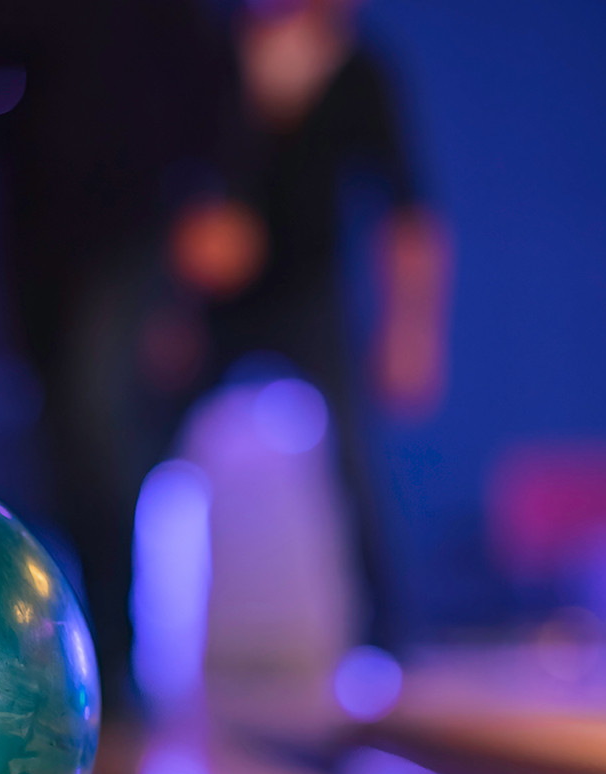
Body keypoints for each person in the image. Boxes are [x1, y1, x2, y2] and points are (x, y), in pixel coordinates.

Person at [0, 0, 239, 716]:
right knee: (55, 440)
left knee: (94, 418)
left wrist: (215, 195)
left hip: (133, 224)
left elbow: (208, 71)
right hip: (36, 235)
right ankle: (71, 641)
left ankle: (113, 648)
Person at [173, 0, 451, 652]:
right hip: (206, 303)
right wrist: (180, 272)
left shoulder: (359, 70)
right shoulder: (208, 55)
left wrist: (412, 332)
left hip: (310, 295)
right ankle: (123, 646)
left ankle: (385, 641)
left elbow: (408, 208)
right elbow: (156, 178)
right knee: (152, 452)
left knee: (353, 462)